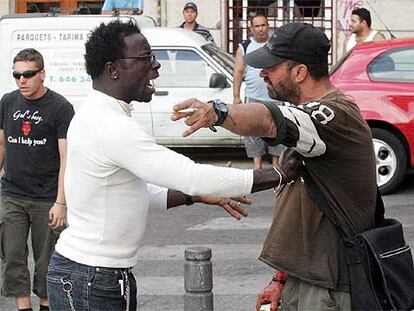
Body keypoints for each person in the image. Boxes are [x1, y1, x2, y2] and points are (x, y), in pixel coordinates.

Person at [45, 20, 301, 311]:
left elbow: (136, 194)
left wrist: (195, 197)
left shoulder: (100, 114)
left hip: (95, 277)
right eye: (146, 58)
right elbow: (191, 175)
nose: (156, 66)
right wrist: (279, 174)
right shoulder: (110, 126)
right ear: (112, 69)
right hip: (90, 279)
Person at [172, 22, 377, 310]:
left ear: (299, 72)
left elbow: (269, 118)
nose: (262, 73)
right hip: (301, 281)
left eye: (271, 66)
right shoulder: (310, 124)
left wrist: (218, 112)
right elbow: (302, 213)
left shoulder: (333, 115)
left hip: (328, 289)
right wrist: (280, 279)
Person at [0, 48, 74, 311]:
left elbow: (67, 157)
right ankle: (23, 308)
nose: (22, 80)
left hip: (47, 198)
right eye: (17, 75)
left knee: (46, 263)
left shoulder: (60, 107)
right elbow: (2, 145)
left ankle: (45, 306)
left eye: (28, 74)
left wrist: (61, 202)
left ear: (42, 74)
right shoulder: (7, 102)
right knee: (12, 257)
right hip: (12, 195)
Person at [233, 14, 285, 169]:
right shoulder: (245, 47)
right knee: (253, 134)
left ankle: (277, 167)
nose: (261, 29)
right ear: (251, 28)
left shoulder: (276, 45)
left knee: (278, 131)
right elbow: (238, 72)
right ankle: (258, 168)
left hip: (275, 98)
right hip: (253, 98)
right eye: (257, 26)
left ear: (268, 26)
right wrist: (236, 97)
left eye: (263, 25)